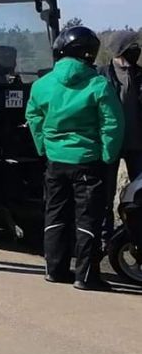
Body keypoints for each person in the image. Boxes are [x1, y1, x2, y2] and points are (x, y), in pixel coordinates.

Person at [27, 26, 123, 291]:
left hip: (55, 161)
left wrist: (43, 146)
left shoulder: (42, 84)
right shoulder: (98, 84)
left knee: (55, 215)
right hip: (88, 161)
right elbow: (112, 124)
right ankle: (86, 275)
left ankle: (54, 270)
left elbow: (33, 117)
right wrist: (107, 155)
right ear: (89, 54)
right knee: (88, 218)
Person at [99, 30, 142, 248]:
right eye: (131, 46)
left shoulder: (140, 75)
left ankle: (136, 236)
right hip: (111, 144)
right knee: (105, 195)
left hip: (137, 145)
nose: (136, 50)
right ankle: (105, 238)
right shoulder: (102, 75)